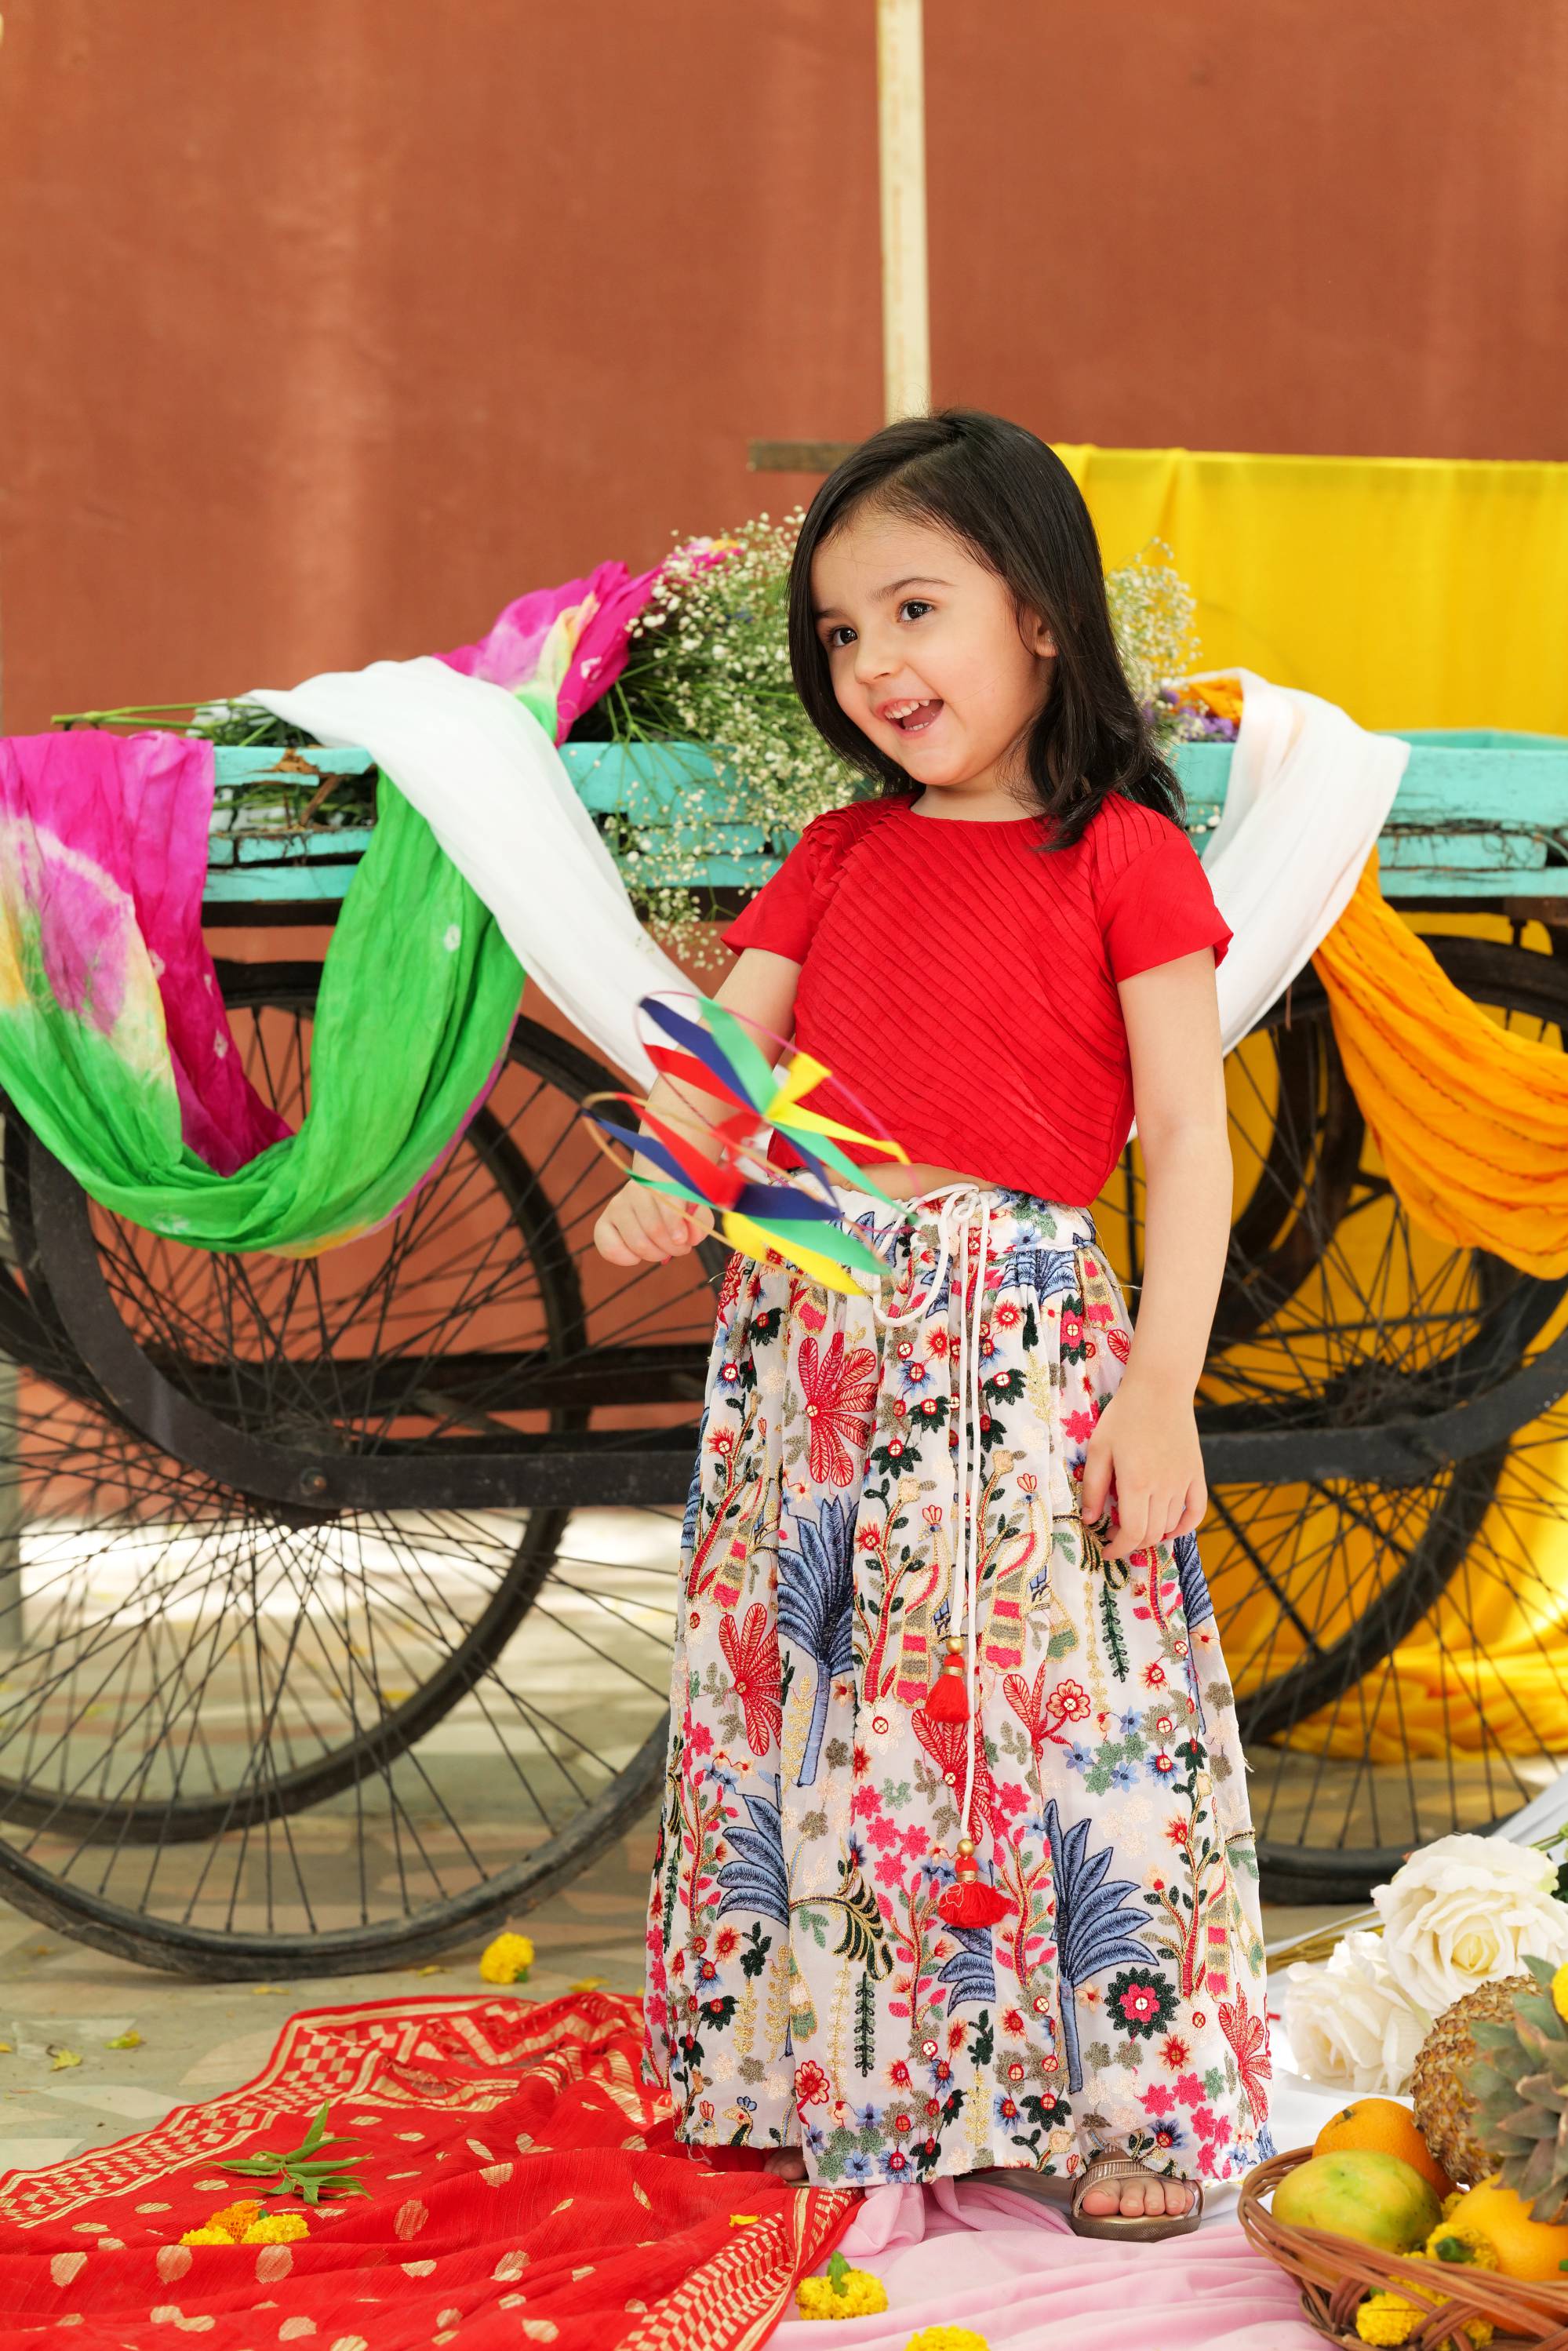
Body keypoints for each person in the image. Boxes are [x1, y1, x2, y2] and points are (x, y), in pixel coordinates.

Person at [593, 409, 1274, 2240]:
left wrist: (1161, 1393)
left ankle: (1120, 2090)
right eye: (838, 633)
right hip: (815, 1355)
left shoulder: (1120, 855)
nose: (876, 663)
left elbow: (1187, 1145)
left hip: (1019, 1352)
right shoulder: (839, 853)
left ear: (1040, 613)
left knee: (1063, 1723)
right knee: (819, 1705)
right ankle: (837, 2064)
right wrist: (673, 1175)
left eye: (914, 608)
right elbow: (726, 1072)